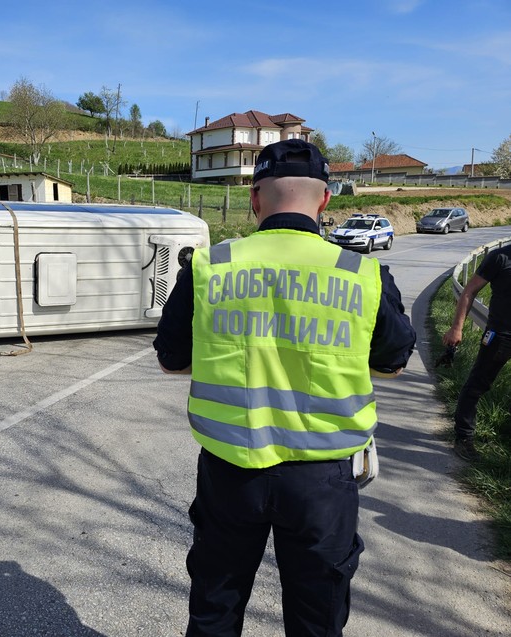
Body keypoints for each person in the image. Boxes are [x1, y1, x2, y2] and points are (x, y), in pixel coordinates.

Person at [154, 139, 416, 637]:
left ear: (255, 199)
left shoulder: (211, 267)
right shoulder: (363, 274)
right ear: (325, 201)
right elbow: (395, 363)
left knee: (215, 608)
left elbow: (171, 362)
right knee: (317, 618)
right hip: (322, 484)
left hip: (231, 473)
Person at [442, 243, 511, 461]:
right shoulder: (500, 257)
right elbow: (469, 291)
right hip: (500, 336)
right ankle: (463, 438)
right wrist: (456, 328)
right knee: (477, 385)